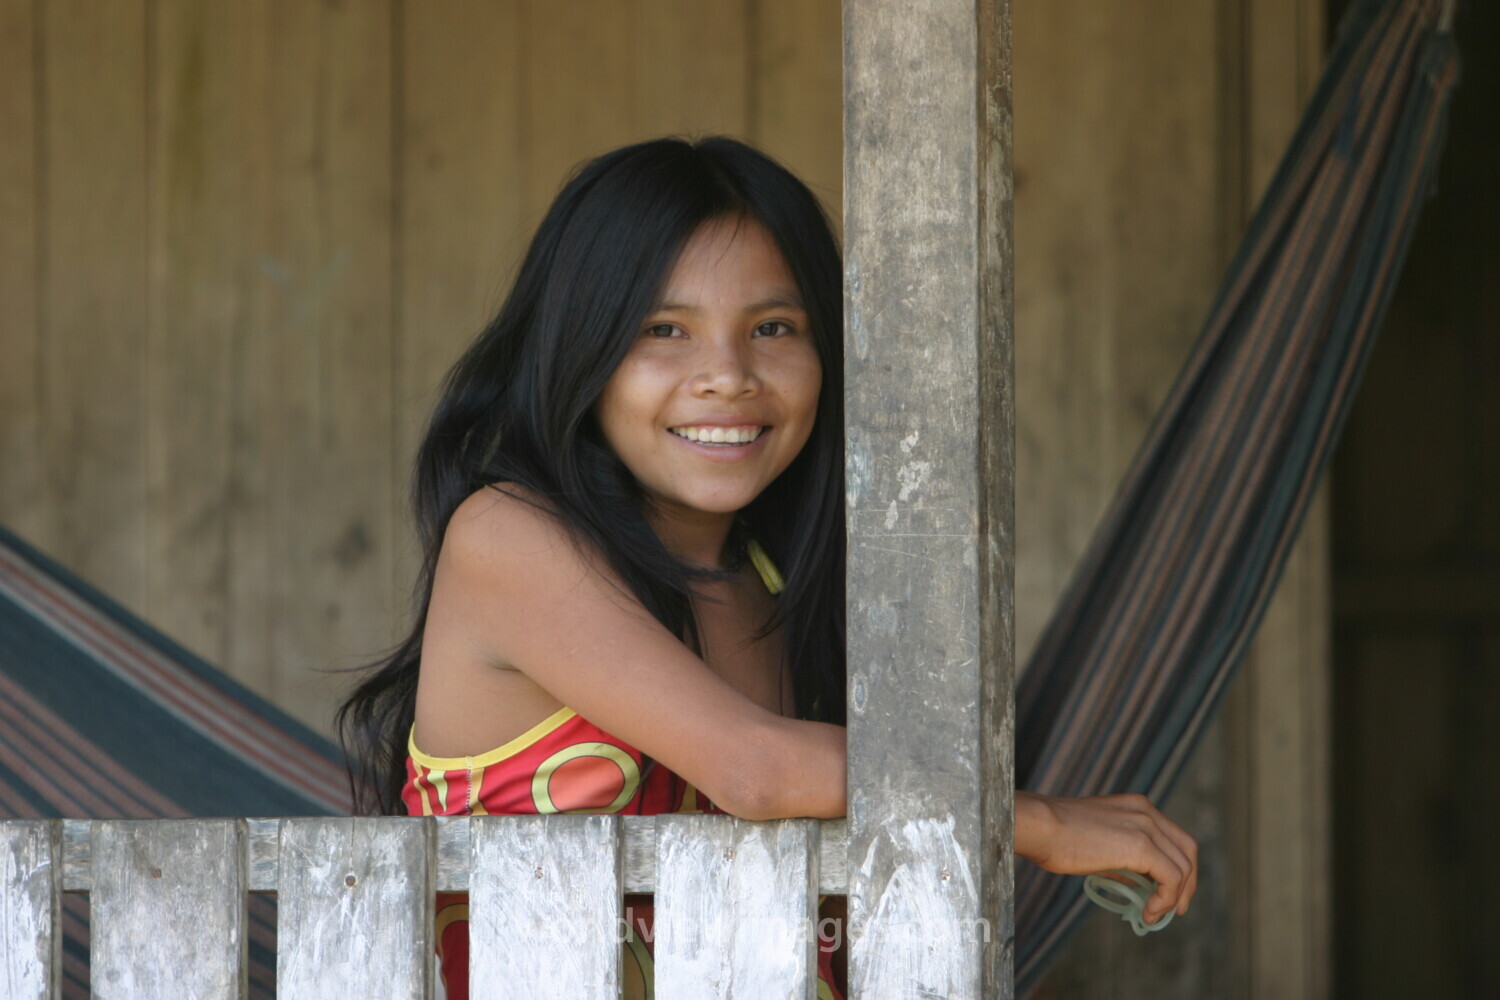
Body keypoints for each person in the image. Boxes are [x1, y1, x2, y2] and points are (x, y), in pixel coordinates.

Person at [337, 136, 1198, 1000]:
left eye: (774, 328)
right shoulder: (507, 536)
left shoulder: (777, 582)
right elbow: (756, 772)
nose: (728, 376)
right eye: (663, 329)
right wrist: (1040, 823)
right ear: (580, 353)